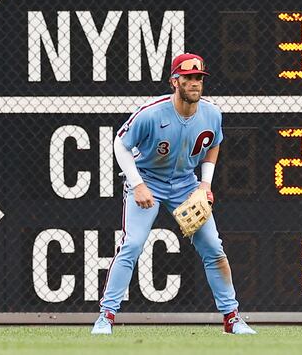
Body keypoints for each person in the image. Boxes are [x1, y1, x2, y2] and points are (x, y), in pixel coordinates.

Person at [91, 52, 256, 335]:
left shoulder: (212, 113)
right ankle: (106, 316)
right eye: (188, 78)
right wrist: (137, 183)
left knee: (213, 249)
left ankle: (232, 318)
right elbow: (121, 144)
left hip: (185, 184)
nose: (194, 83)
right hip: (148, 180)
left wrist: (205, 184)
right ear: (174, 81)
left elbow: (214, 143)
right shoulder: (152, 113)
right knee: (131, 246)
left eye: (199, 78)